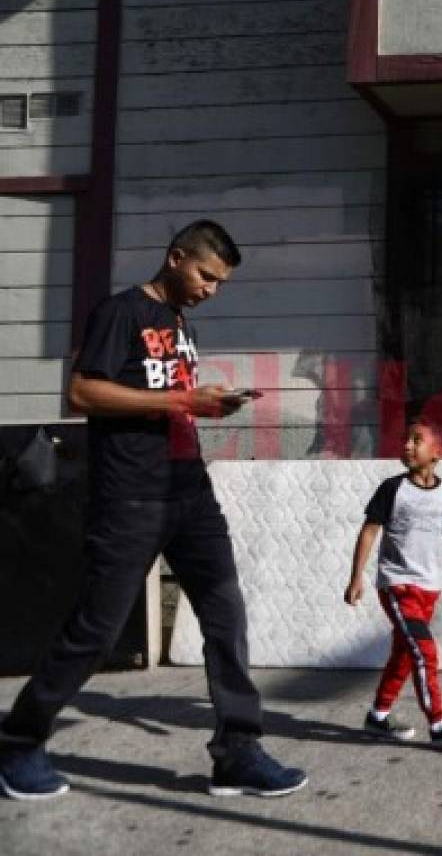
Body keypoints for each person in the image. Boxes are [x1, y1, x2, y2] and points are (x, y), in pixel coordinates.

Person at [0, 220, 307, 801]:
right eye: (205, 275)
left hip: (189, 491)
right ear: (175, 257)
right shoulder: (121, 313)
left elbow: (168, 399)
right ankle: (18, 740)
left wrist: (206, 407)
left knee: (225, 615)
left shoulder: (178, 322)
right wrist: (181, 399)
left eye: (221, 282)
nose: (211, 289)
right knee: (97, 629)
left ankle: (238, 751)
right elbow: (83, 393)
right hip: (131, 498)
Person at [344, 416, 442, 748]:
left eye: (416, 440)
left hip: (428, 588)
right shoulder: (393, 489)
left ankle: (378, 716)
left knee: (404, 655)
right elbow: (369, 532)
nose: (407, 446)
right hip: (398, 586)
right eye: (405, 440)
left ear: (438, 451)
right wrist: (357, 577)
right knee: (424, 652)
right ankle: (439, 724)